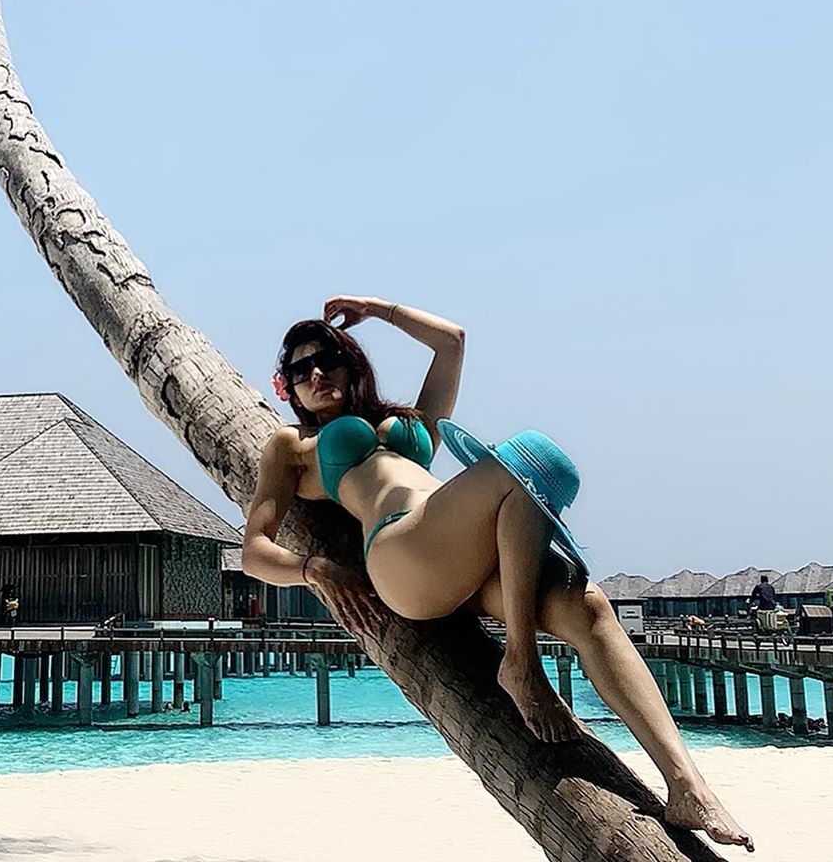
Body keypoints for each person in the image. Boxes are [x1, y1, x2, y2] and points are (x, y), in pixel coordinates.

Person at [242, 298, 753, 853]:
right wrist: (313, 569)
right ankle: (523, 664)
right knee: (530, 459)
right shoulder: (293, 445)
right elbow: (254, 551)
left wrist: (377, 309)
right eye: (300, 369)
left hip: (473, 554)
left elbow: (452, 342)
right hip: (402, 554)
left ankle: (687, 786)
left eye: (328, 359)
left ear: (352, 364)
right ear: (288, 388)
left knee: (589, 608)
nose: (316, 374)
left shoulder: (408, 420)